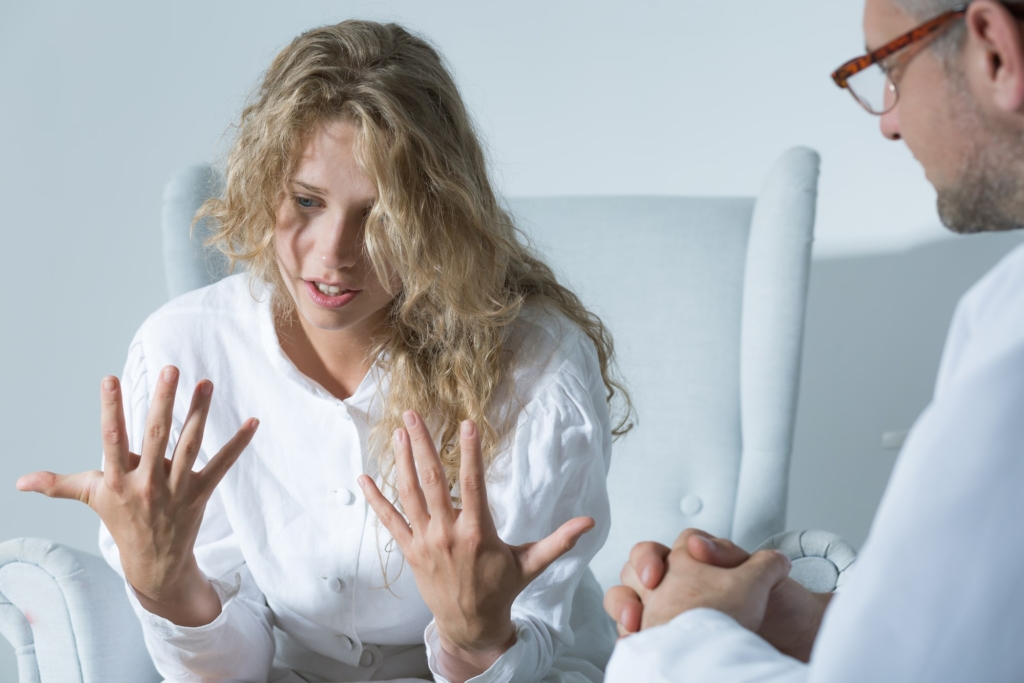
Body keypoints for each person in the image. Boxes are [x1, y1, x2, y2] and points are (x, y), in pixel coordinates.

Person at [16, 20, 629, 683]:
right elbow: (230, 668)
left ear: (434, 217)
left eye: (380, 217)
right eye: (307, 201)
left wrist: (474, 635)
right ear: (264, 183)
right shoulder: (185, 351)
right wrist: (167, 585)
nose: (333, 254)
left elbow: (530, 641)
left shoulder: (536, 367)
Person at [601, 0, 1024, 681]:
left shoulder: (1012, 343)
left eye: (890, 70)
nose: (888, 121)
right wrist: (822, 628)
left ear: (995, 50)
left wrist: (679, 636)